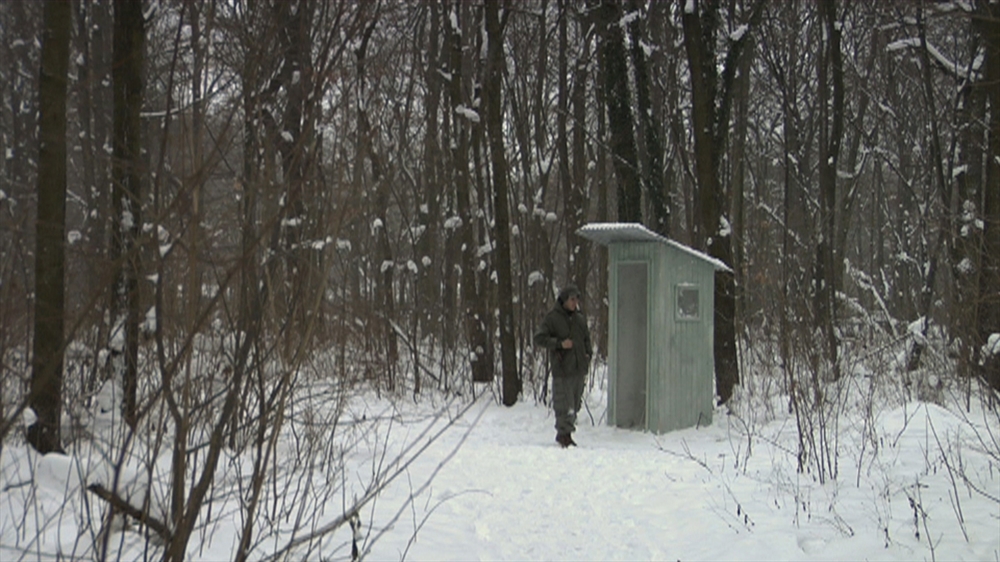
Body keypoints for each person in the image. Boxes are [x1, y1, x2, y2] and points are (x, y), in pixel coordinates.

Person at [533, 284, 592, 447]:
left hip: (579, 368)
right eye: (572, 299)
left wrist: (588, 354)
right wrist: (559, 344)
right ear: (564, 301)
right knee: (563, 403)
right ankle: (563, 434)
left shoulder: (579, 319)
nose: (575, 303)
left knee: (575, 403)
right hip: (563, 368)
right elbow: (539, 338)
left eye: (576, 299)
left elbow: (586, 339)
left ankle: (568, 432)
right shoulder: (553, 318)